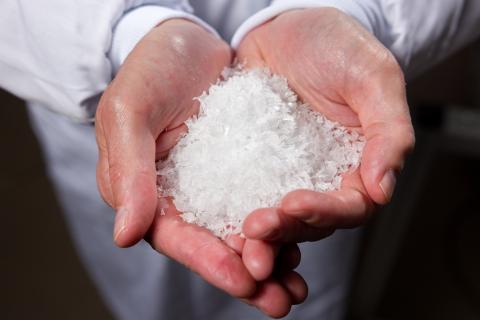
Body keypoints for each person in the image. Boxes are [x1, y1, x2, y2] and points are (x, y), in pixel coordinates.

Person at [1, 0, 479, 319]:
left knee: (291, 272)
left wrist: (357, 10)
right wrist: (125, 33)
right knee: (147, 297)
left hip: (318, 95)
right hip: (100, 84)